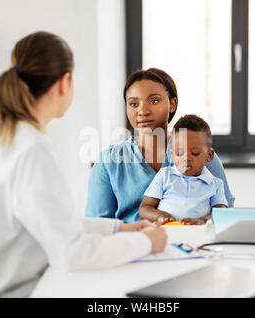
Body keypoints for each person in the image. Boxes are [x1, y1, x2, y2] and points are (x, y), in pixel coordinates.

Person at [0, 31, 167, 298]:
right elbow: (71, 253)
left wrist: (119, 228)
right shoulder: (32, 149)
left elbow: (54, 222)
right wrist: (145, 242)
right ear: (65, 82)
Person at [85, 68, 235, 223]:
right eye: (134, 104)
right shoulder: (108, 161)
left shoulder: (201, 155)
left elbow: (225, 213)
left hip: (191, 243)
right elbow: (97, 226)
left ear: (172, 104)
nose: (142, 111)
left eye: (154, 101)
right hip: (134, 244)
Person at [139, 114, 228, 225]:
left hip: (197, 233)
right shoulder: (164, 175)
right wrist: (161, 216)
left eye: (195, 153)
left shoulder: (215, 184)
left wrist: (202, 220)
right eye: (179, 153)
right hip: (167, 233)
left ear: (209, 155)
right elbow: (144, 208)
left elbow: (221, 211)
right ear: (172, 155)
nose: (186, 158)